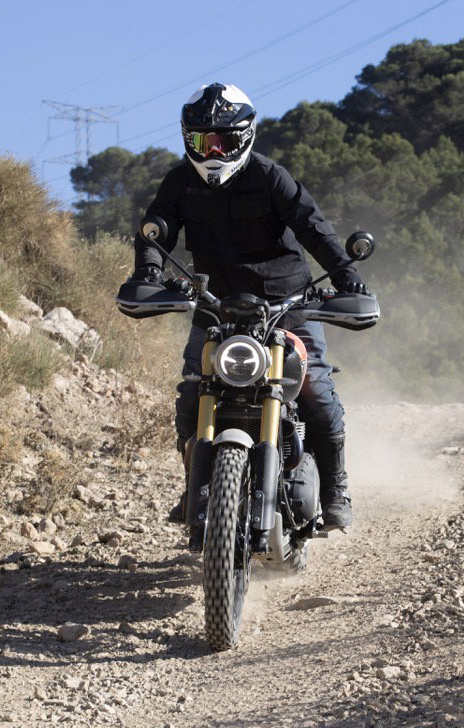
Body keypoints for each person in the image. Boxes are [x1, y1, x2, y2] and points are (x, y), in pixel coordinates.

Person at [128, 82, 370, 531]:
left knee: (315, 388)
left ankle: (336, 487)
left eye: (223, 141)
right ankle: (196, 485)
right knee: (191, 396)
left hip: (286, 305)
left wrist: (345, 275)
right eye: (203, 141)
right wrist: (147, 273)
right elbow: (155, 231)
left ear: (244, 137)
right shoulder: (180, 181)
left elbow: (313, 227)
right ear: (188, 140)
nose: (213, 150)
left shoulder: (269, 177)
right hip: (216, 307)